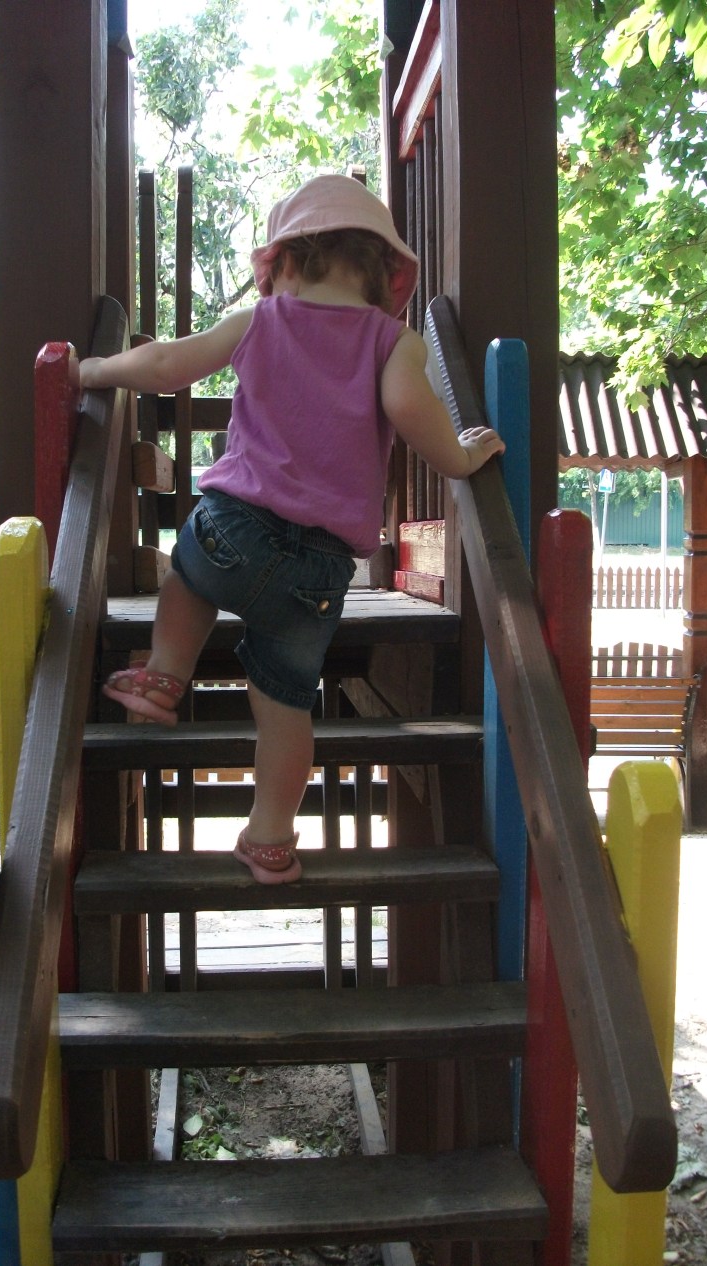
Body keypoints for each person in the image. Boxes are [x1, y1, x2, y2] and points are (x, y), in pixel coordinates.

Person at [80, 174, 505, 885]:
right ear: (382, 274)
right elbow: (410, 407)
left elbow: (166, 364)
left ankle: (163, 674)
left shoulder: (263, 321)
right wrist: (462, 456)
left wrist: (95, 369)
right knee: (284, 710)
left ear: (282, 262)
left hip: (233, 530)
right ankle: (271, 838)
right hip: (318, 571)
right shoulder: (392, 341)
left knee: (187, 575)